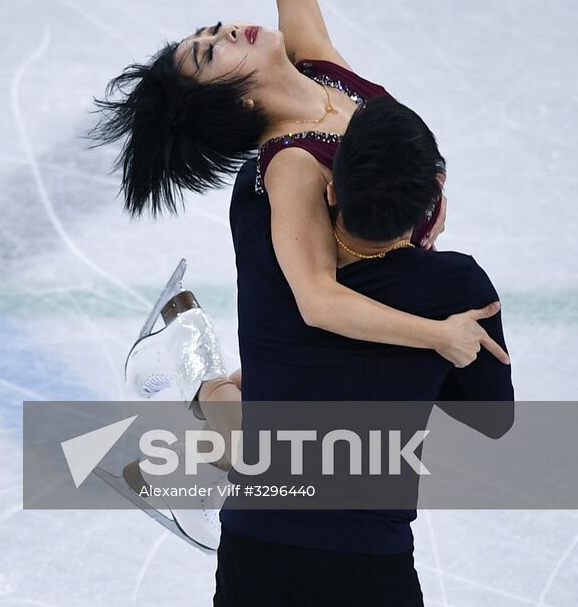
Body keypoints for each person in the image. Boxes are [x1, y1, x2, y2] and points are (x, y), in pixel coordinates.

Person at [89, 0, 509, 396]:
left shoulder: (320, 67)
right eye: (212, 53)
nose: (227, 30)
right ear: (237, 104)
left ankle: (216, 399)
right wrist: (437, 335)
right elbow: (317, 301)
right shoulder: (290, 164)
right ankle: (200, 396)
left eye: (211, 30)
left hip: (368, 283)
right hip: (334, 298)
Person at [211, 94, 514, 606]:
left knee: (226, 393)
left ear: (330, 191)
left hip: (255, 548)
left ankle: (210, 395)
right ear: (435, 193)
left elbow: (277, 140)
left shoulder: (261, 232)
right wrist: (422, 355)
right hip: (371, 563)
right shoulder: (457, 287)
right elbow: (492, 416)